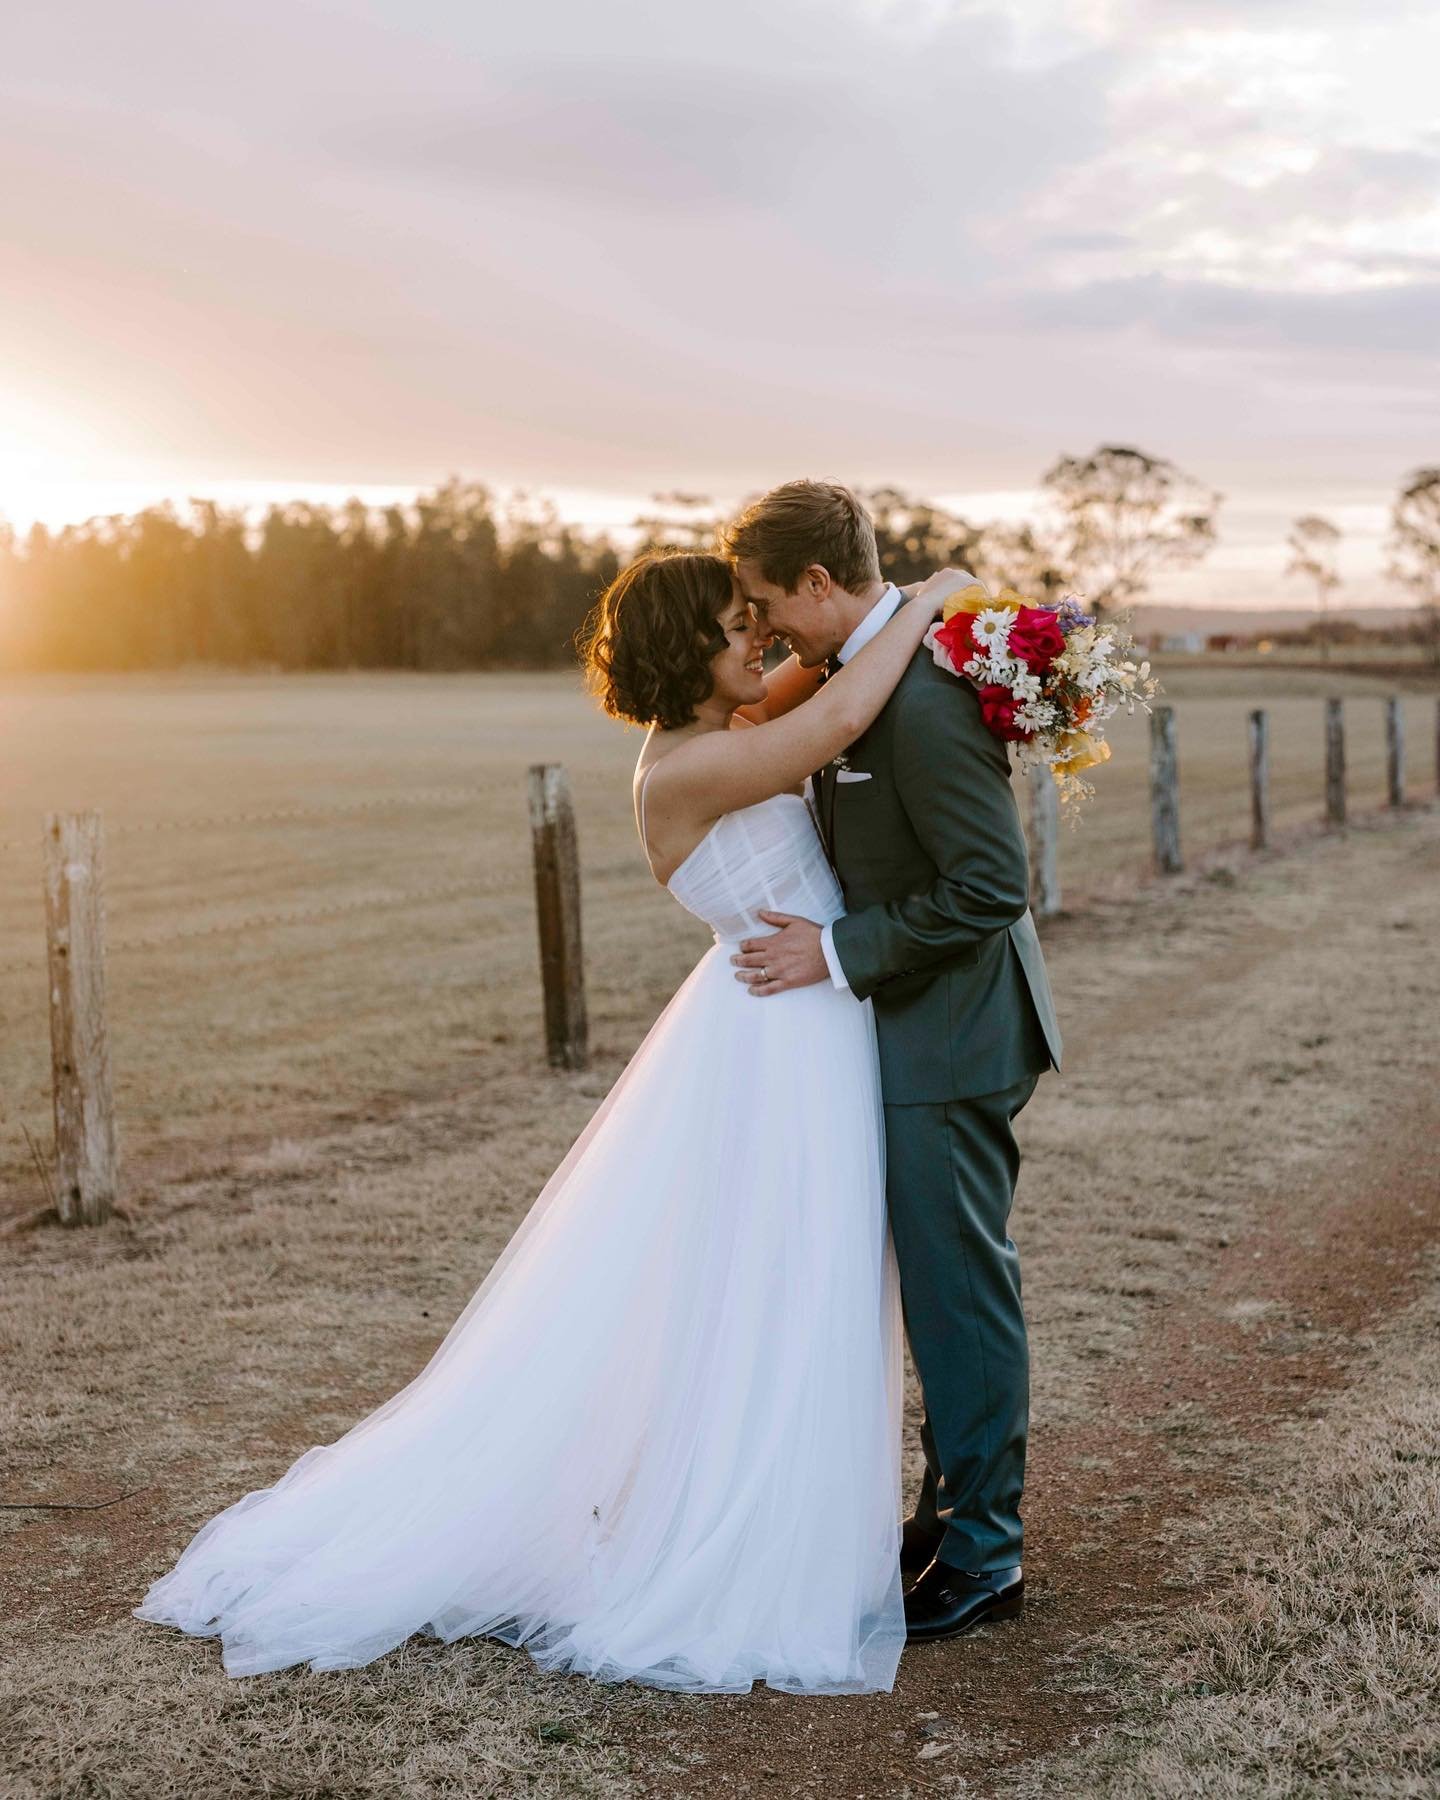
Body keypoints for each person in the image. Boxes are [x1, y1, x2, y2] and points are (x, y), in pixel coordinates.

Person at [134, 548, 969, 1695]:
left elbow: (819, 685)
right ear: (688, 651)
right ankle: (744, 1532)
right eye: (739, 626)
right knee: (788, 1274)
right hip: (778, 1040)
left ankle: (791, 1514)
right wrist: (927, 603)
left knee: (796, 1275)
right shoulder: (683, 770)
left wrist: (892, 622)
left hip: (799, 1024)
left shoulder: (721, 729)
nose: (759, 641)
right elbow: (839, 717)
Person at [725, 480, 1062, 1641]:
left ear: (822, 583)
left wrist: (837, 951)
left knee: (960, 1297)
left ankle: (986, 1556)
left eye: (770, 604)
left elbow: (990, 887)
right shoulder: (856, 677)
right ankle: (947, 1513)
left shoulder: (918, 701)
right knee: (930, 1292)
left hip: (955, 1034)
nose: (763, 629)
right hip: (909, 1030)